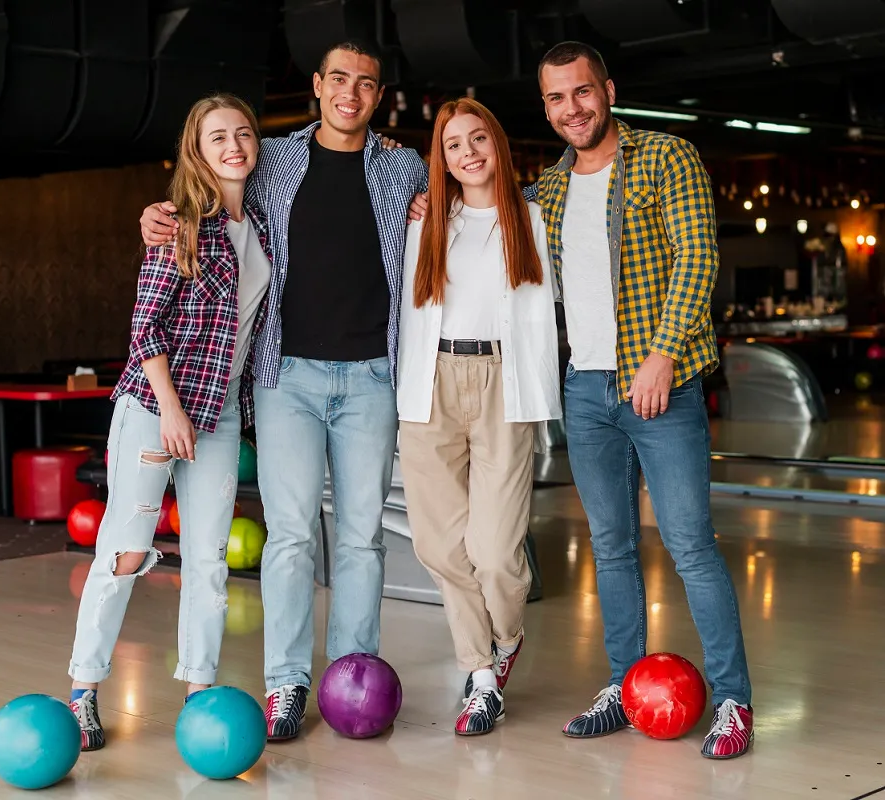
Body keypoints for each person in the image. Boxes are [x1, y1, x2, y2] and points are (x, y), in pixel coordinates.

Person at [409, 41, 753, 759]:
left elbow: (697, 258)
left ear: (607, 89)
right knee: (611, 549)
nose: (572, 108)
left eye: (582, 92)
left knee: (689, 546)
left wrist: (660, 358)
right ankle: (624, 684)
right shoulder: (551, 191)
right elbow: (492, 221)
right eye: (556, 98)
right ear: (545, 108)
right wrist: (431, 197)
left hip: (661, 384)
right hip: (586, 390)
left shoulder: (666, 157)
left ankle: (731, 701)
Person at [138, 41, 429, 741]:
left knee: (362, 538)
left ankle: (354, 673)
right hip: (286, 376)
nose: (350, 94)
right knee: (291, 537)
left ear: (378, 93)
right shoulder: (273, 158)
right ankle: (286, 683)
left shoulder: (403, 164)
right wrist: (155, 215)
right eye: (339, 80)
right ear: (317, 86)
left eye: (365, 83)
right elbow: (211, 186)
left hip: (371, 377)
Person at [68, 93, 272, 751]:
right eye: (218, 138)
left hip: (215, 415)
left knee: (209, 559)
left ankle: (199, 690)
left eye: (242, 134)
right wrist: (171, 411)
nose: (234, 147)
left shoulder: (264, 227)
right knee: (124, 553)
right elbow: (143, 326)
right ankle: (83, 690)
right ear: (197, 151)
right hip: (153, 408)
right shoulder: (179, 223)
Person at [397, 97, 561, 736]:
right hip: (432, 385)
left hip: (503, 386)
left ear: (498, 144)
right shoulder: (425, 223)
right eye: (454, 145)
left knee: (494, 552)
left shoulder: (534, 221)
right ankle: (482, 676)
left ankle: (506, 635)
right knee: (439, 544)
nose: (468, 153)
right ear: (442, 158)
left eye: (478, 139)